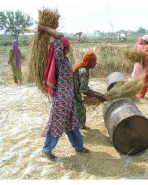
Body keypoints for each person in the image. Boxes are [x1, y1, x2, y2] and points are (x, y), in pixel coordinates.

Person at [39, 24, 90, 160]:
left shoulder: (65, 60)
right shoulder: (60, 59)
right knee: (56, 123)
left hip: (68, 98)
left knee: (72, 124)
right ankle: (46, 150)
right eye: (68, 48)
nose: (68, 50)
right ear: (63, 48)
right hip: (61, 99)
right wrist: (43, 28)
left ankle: (78, 146)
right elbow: (59, 37)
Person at [72, 50, 107, 130]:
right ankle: (76, 130)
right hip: (71, 94)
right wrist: (99, 96)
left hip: (75, 93)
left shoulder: (85, 70)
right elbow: (84, 90)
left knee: (81, 110)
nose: (96, 63)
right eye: (94, 61)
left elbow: (85, 88)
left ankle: (81, 127)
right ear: (90, 61)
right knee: (78, 110)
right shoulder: (83, 71)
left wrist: (99, 95)